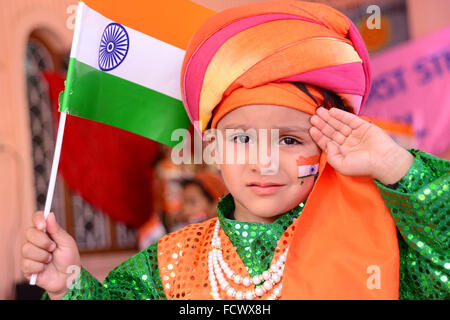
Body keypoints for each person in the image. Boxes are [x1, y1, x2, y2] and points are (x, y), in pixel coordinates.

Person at [21, 0, 448, 300]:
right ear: (212, 146)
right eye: (242, 138)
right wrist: (68, 285)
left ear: (326, 145)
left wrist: (395, 164)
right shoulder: (171, 265)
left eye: (290, 140)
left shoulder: (382, 244)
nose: (263, 160)